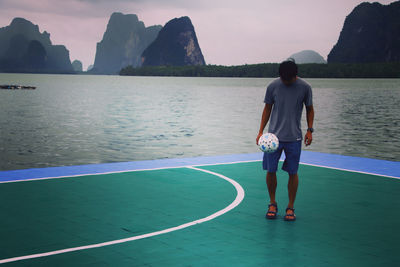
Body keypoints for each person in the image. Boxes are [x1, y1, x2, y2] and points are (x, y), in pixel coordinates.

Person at [256, 59, 314, 221]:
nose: (285, 81)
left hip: (294, 138)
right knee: (271, 170)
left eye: (288, 79)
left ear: (295, 76)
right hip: (272, 139)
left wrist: (310, 130)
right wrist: (260, 132)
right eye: (283, 78)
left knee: (293, 172)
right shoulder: (273, 86)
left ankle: (290, 207)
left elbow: (310, 109)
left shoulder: (305, 87)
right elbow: (267, 108)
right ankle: (272, 203)